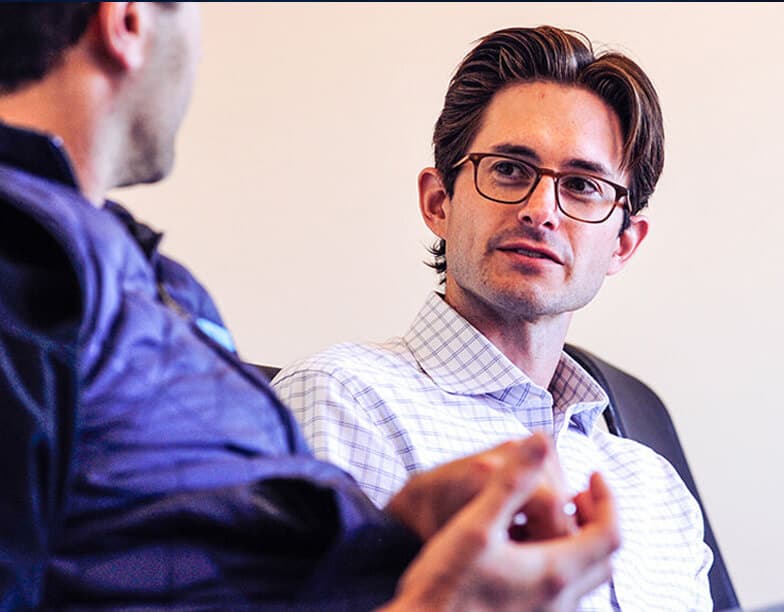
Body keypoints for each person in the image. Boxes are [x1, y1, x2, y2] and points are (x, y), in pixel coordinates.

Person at [0, 4, 623, 610]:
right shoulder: (24, 262)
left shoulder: (156, 284)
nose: (543, 209)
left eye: (583, 185)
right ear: (127, 21)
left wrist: (394, 540)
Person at [273, 25, 714, 610]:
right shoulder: (342, 399)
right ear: (439, 202)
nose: (540, 212)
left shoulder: (656, 488)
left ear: (623, 244)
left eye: (582, 186)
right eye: (509, 169)